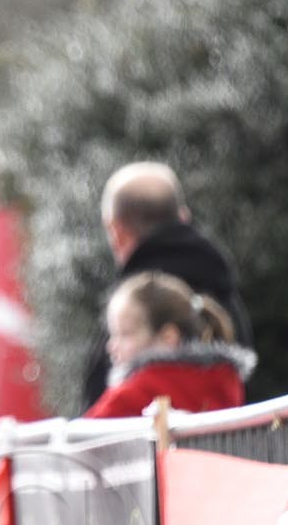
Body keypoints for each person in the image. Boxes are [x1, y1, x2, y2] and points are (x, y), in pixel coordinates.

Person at [79, 162, 253, 410]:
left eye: (123, 335)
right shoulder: (220, 288)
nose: (113, 346)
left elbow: (97, 413)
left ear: (116, 231)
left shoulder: (133, 302)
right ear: (183, 217)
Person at [83, 271, 254, 419]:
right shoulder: (226, 381)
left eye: (125, 334)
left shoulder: (136, 391)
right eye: (113, 335)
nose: (111, 346)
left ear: (168, 338)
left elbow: (78, 437)